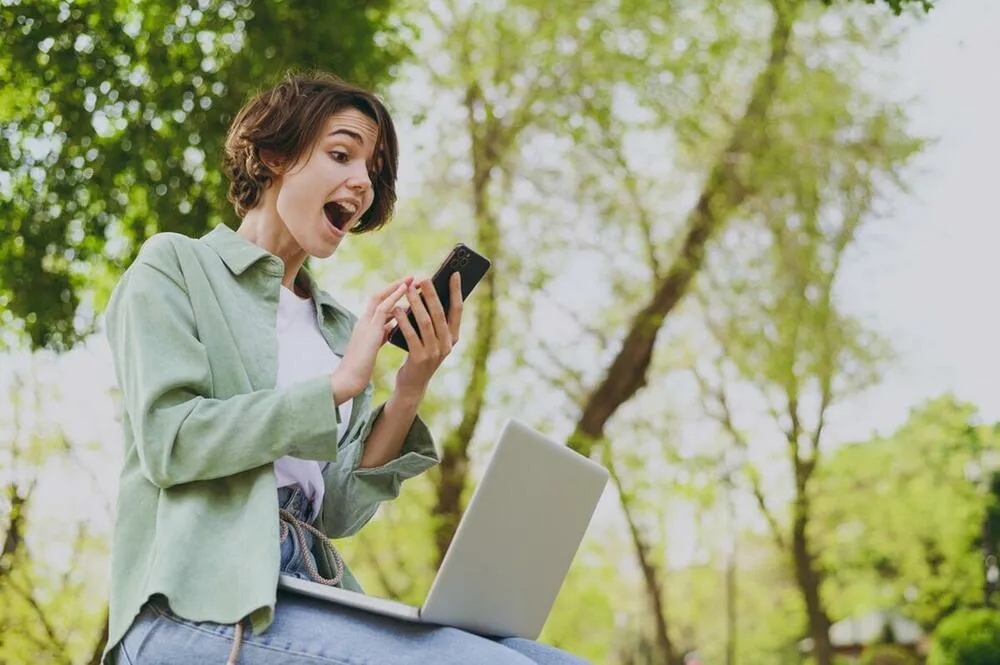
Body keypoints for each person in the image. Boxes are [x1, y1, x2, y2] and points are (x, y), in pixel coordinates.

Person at [101, 71, 589, 665]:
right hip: (193, 604)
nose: (362, 183)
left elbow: (335, 511)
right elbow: (170, 442)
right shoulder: (175, 266)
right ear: (274, 156)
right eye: (341, 154)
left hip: (308, 589)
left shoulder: (335, 326)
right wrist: (338, 386)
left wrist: (409, 387)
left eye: (373, 171)